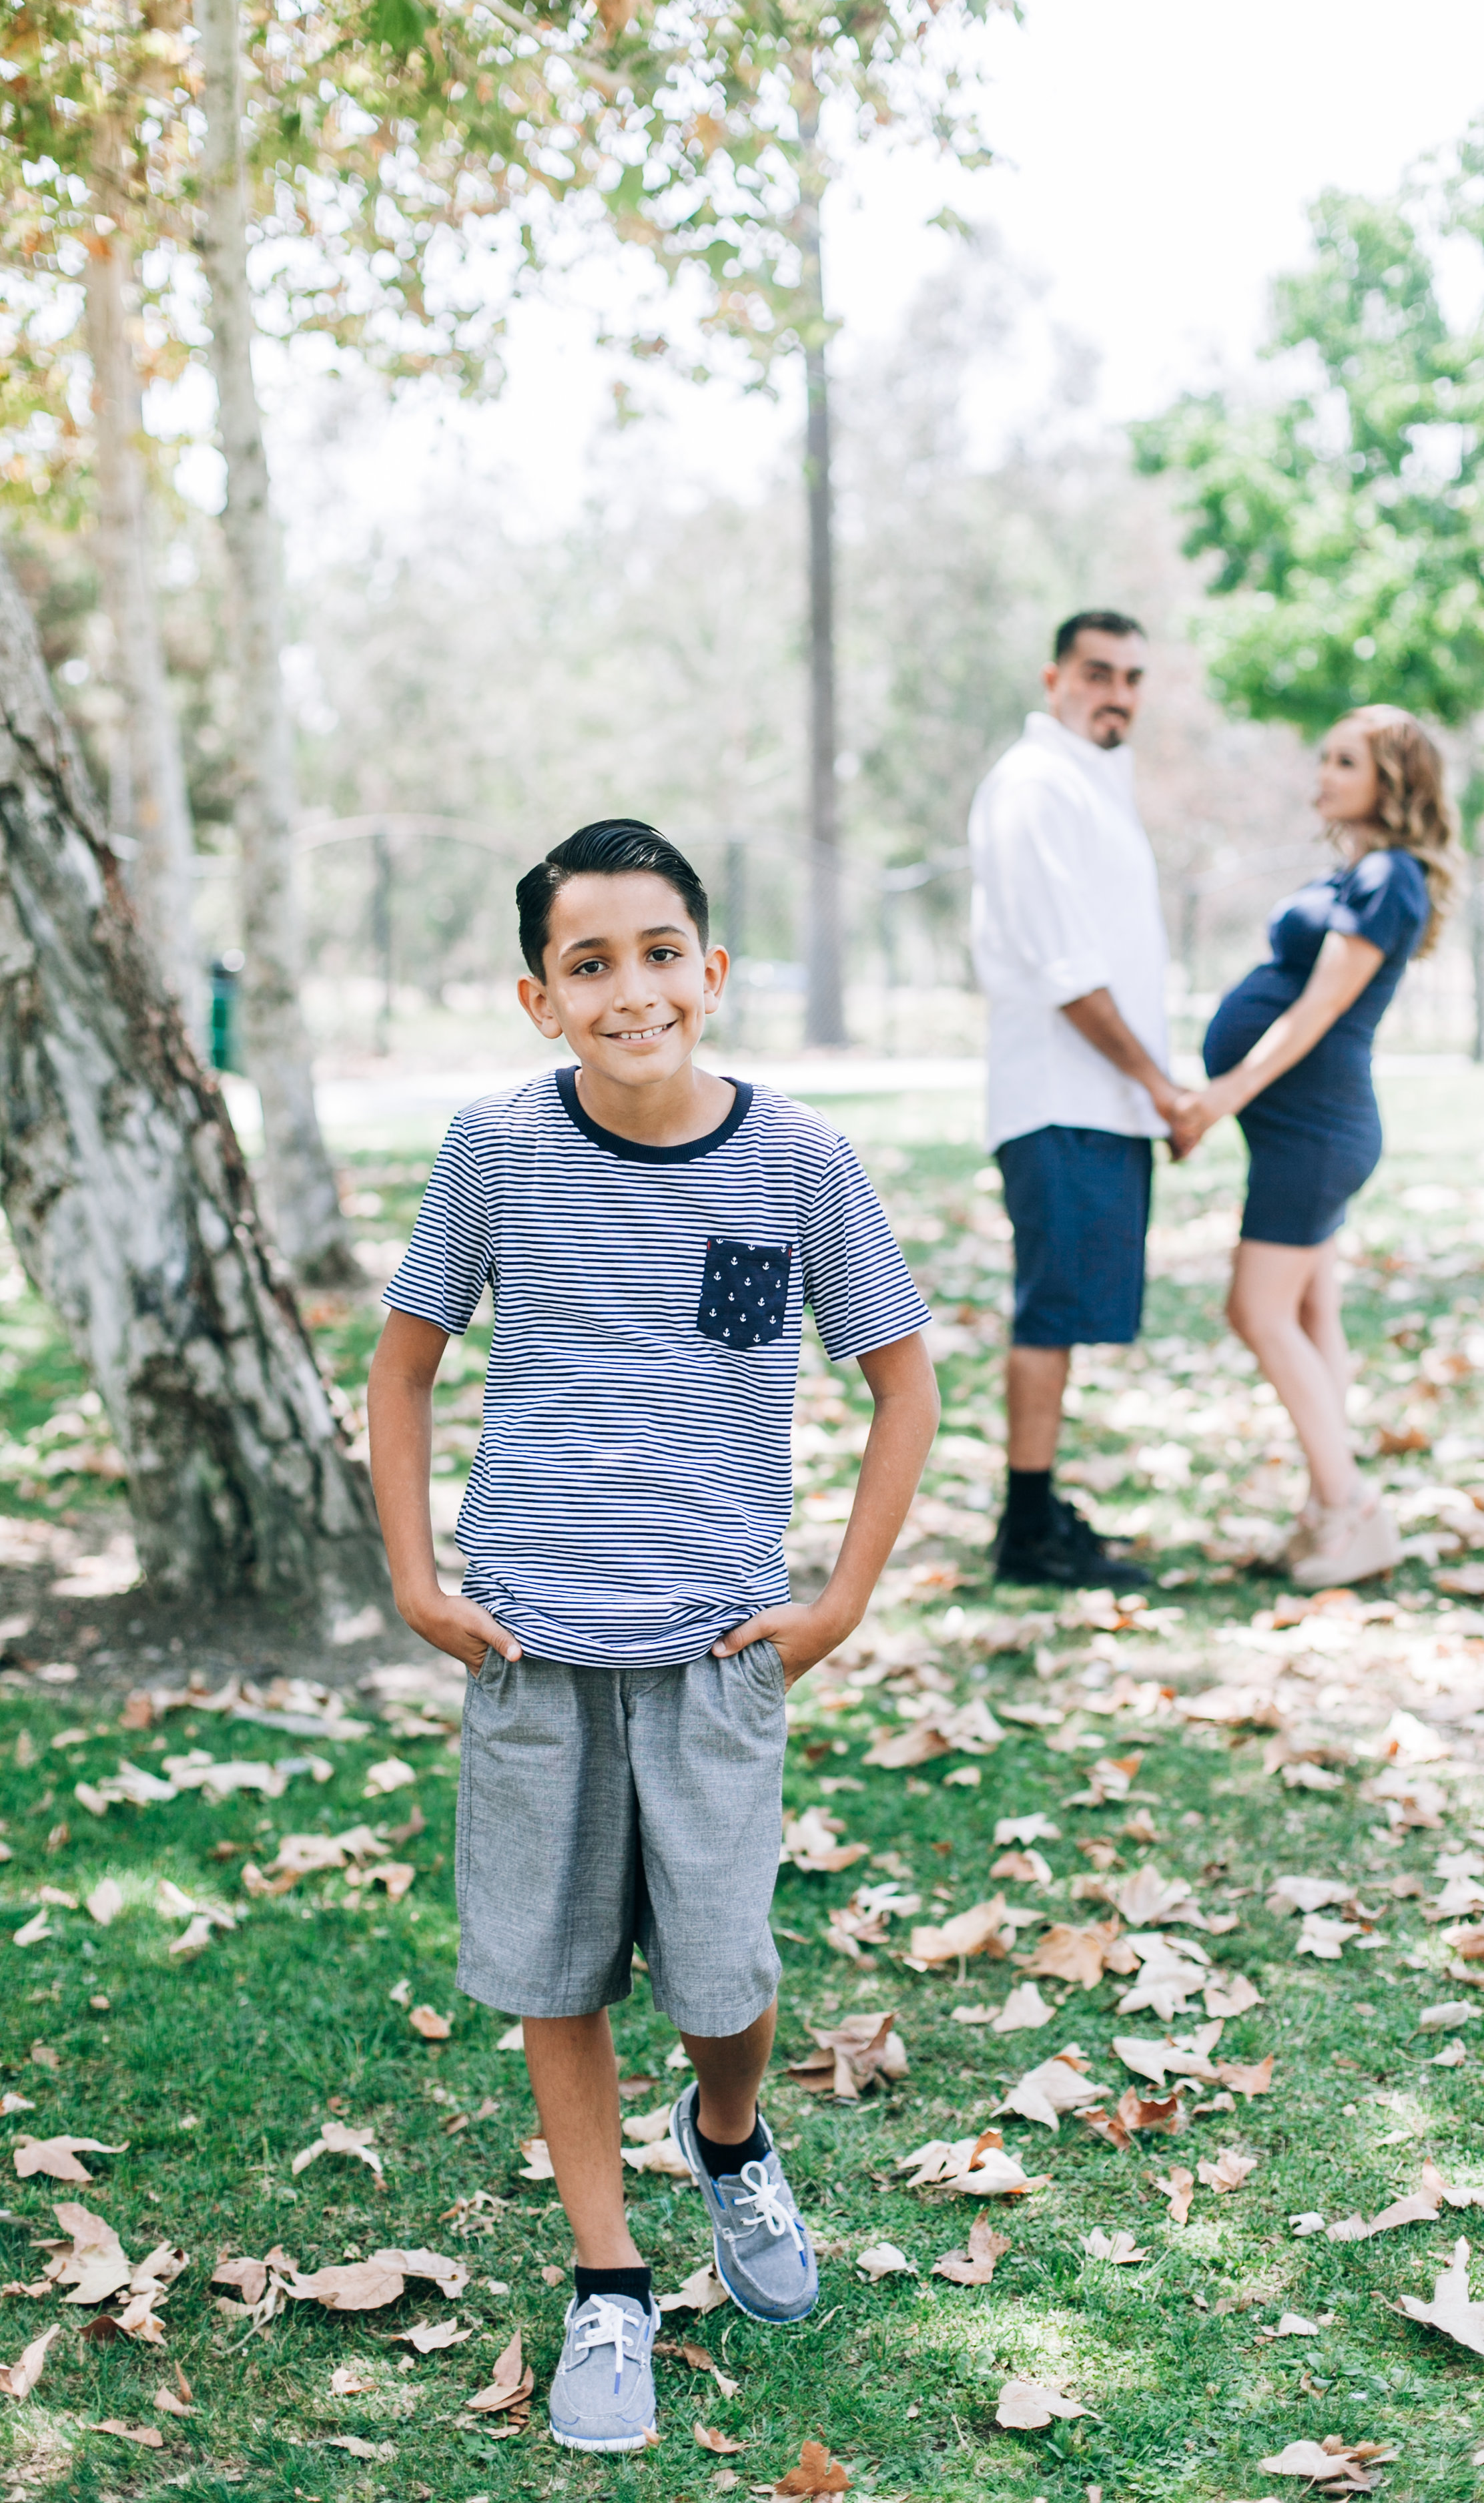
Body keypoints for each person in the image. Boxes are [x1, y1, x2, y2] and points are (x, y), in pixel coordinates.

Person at [366, 820, 938, 2454]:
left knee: (720, 1970)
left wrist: (834, 1600)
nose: (632, 990)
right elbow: (402, 1367)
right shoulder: (491, 1152)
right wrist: (419, 1576)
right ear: (539, 997)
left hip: (711, 1651)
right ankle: (605, 2282)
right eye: (590, 965)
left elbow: (904, 1383)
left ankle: (732, 2136)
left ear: (713, 970)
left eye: (660, 954)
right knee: (559, 1976)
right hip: (531, 1648)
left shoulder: (800, 1163)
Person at [1172, 706, 1458, 1588]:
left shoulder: (1391, 878)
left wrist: (1220, 1096)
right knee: (1308, 1316)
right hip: (1305, 1129)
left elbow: (1316, 1010)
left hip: (1314, 1130)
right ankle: (1326, 1508)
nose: (1324, 773)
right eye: (1326, 756)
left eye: (1347, 761)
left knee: (1257, 1310)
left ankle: (1352, 1508)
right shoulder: (1363, 872)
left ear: (1392, 780)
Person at [969, 609, 1191, 1589]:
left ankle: (1040, 1500)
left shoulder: (1092, 784)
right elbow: (1066, 970)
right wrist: (1160, 1085)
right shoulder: (1034, 786)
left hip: (1106, 1103)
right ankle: (1026, 1528)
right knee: (1049, 1315)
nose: (1118, 693)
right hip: (1062, 1098)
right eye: (1099, 672)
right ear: (1054, 676)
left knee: (1067, 1314)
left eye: (1133, 677)